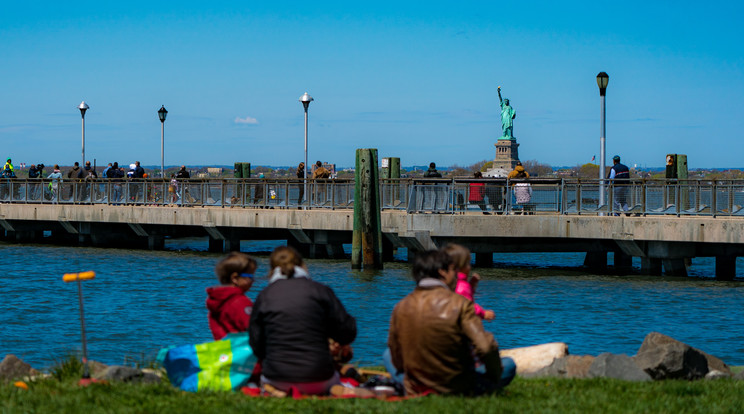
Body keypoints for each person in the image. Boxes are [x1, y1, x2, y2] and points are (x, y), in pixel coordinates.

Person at [386, 249, 515, 396]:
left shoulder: (400, 306)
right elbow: (485, 347)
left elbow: (395, 352)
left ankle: (411, 386)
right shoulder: (461, 304)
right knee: (508, 364)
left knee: (386, 355)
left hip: (417, 386)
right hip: (456, 386)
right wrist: (493, 377)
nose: (456, 275)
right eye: (453, 270)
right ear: (442, 272)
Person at [249, 246, 356, 395]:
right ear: (302, 265)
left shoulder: (264, 296)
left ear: (272, 269)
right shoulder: (320, 291)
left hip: (277, 377)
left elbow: (256, 345)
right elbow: (347, 332)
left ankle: (277, 391)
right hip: (319, 377)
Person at [206, 252, 258, 340]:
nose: (253, 280)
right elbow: (254, 329)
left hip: (225, 349)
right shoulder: (239, 301)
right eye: (250, 276)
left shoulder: (218, 300)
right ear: (235, 278)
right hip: (242, 350)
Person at [444, 244, 495, 321]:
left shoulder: (452, 281)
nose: (470, 267)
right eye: (467, 263)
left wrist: (471, 285)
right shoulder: (461, 286)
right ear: (459, 266)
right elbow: (467, 307)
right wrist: (483, 313)